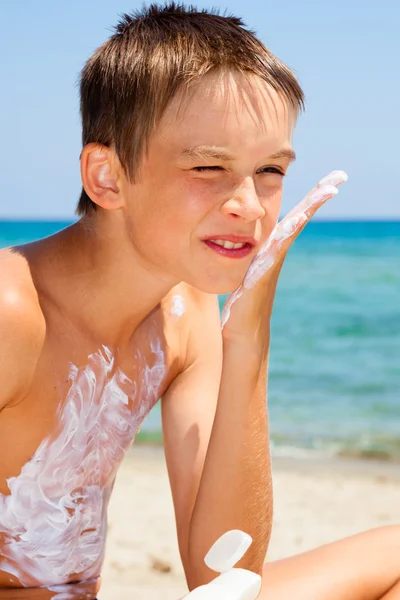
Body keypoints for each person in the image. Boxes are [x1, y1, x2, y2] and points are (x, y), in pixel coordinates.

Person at [0, 4, 399, 599]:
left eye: (269, 169)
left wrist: (248, 343)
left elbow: (223, 572)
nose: (250, 204)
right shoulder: (13, 311)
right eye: (208, 166)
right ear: (107, 177)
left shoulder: (185, 316)